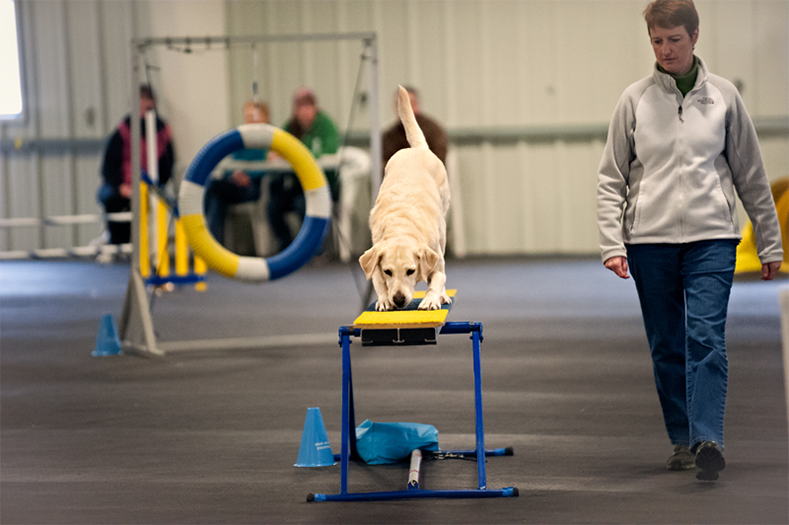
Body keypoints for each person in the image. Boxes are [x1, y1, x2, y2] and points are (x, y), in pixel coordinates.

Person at [596, 0, 783, 482]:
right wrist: (612, 243)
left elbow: (751, 175)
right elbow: (611, 179)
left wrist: (770, 242)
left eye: (673, 40)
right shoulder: (633, 99)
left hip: (712, 239)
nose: (664, 50)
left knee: (705, 338)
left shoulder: (723, 97)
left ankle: (707, 439)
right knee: (666, 344)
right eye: (656, 41)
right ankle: (682, 439)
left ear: (695, 37)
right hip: (648, 242)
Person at [98, 84, 174, 245]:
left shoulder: (162, 131)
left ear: (153, 104)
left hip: (151, 187)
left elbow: (168, 166)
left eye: (146, 107)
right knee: (112, 200)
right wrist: (121, 187)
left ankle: (150, 251)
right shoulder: (122, 131)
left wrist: (153, 187)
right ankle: (117, 245)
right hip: (122, 187)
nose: (142, 112)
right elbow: (108, 167)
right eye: (138, 106)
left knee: (154, 206)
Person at [268, 87, 340, 252]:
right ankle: (285, 246)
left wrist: (294, 153)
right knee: (274, 206)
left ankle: (316, 248)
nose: (304, 111)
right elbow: (277, 146)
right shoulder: (291, 126)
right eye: (300, 106)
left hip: (324, 184)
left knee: (303, 204)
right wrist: (275, 153)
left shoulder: (326, 124)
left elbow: (328, 150)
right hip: (297, 183)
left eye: (308, 106)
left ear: (315, 107)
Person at [203, 100, 270, 248]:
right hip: (235, 185)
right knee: (216, 198)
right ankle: (214, 246)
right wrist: (235, 174)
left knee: (214, 187)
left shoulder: (272, 140)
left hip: (254, 187)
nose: (250, 120)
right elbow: (230, 164)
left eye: (254, 116)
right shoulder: (241, 141)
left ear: (265, 117)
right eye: (247, 116)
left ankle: (207, 240)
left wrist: (248, 176)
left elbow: (268, 166)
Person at [382, 86, 448, 167]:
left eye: (409, 104)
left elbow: (438, 161)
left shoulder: (434, 132)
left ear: (416, 105)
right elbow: (386, 164)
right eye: (399, 104)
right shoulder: (389, 137)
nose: (404, 109)